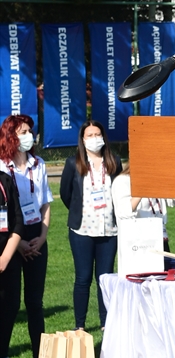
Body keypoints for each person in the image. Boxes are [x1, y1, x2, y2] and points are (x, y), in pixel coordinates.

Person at [0, 115, 52, 358]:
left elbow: (46, 205)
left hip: (35, 235)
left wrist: (41, 238)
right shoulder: (1, 167)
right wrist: (17, 245)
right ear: (10, 135)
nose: (29, 135)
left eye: (30, 131)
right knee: (10, 301)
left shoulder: (38, 164)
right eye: (23, 131)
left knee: (35, 301)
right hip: (9, 237)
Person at [60, 121, 122, 331]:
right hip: (82, 230)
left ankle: (106, 322)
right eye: (90, 135)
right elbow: (66, 195)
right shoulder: (73, 163)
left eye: (98, 134)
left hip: (109, 230)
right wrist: (80, 211)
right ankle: (80, 325)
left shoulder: (114, 162)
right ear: (83, 139)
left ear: (103, 137)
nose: (95, 138)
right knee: (83, 277)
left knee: (105, 277)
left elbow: (120, 191)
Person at [111, 165, 175, 250]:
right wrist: (143, 188)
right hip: (138, 242)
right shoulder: (123, 180)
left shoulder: (156, 177)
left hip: (159, 237)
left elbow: (173, 201)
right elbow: (124, 212)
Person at [0, 167, 24, 358]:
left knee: (10, 305)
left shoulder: (6, 181)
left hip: (7, 257)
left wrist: (5, 258)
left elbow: (17, 221)